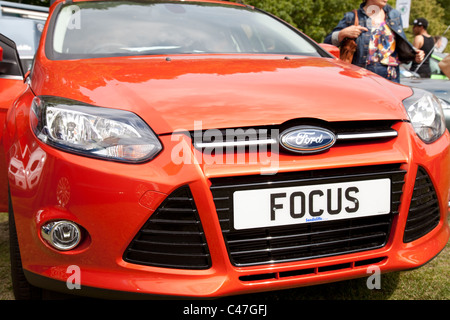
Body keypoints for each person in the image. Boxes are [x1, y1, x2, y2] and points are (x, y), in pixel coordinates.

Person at [324, 0, 424, 83]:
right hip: (362, 75)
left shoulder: (394, 15)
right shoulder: (352, 17)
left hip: (392, 75)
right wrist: (342, 33)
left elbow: (399, 42)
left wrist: (415, 53)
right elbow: (326, 43)